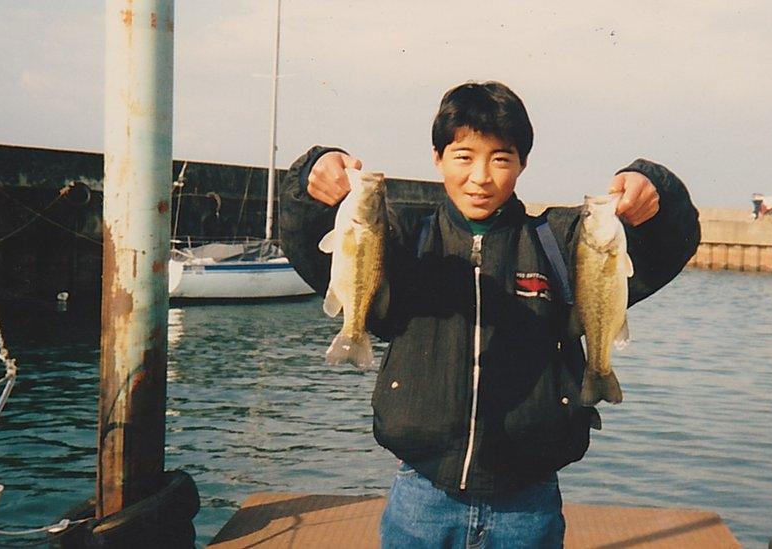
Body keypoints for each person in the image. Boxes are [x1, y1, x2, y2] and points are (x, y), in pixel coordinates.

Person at [279, 81, 700, 547]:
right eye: (463, 156)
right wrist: (309, 178)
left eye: (501, 158)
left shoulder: (559, 243)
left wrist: (652, 188)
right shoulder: (403, 241)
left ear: (522, 163)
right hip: (420, 499)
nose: (481, 176)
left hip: (529, 505)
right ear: (437, 158)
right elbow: (309, 244)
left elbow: (667, 247)